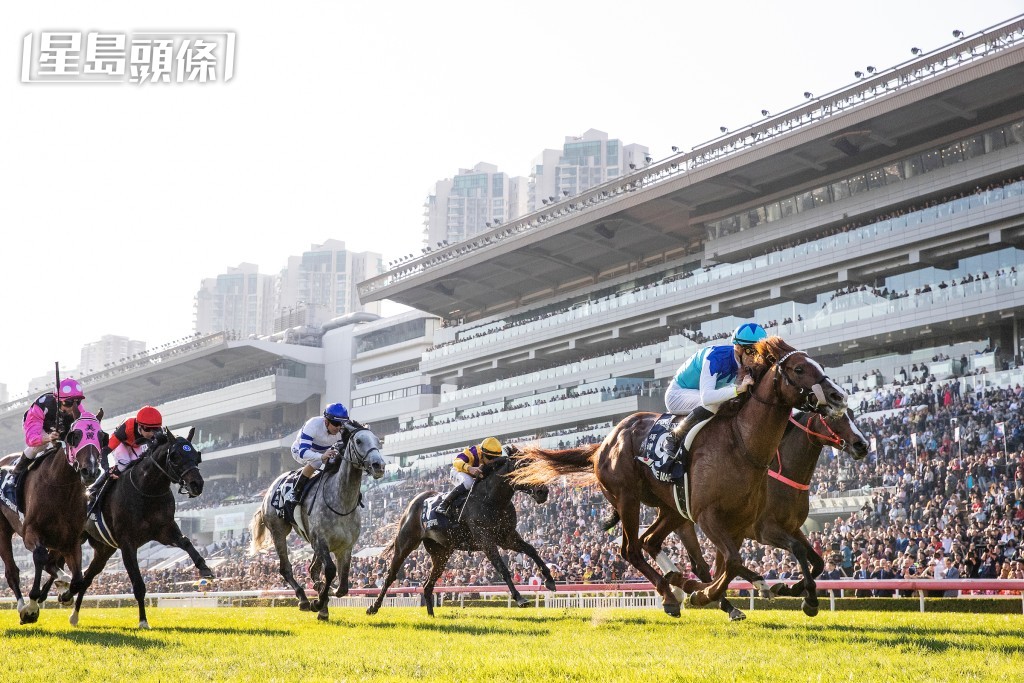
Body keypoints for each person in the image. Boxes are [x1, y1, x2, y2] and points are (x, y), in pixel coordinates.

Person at [663, 322, 767, 462]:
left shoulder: (747, 364)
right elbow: (707, 398)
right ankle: (675, 436)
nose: (755, 357)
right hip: (678, 395)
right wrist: (738, 389)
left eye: (758, 352)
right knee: (716, 403)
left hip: (702, 396)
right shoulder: (715, 358)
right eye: (751, 351)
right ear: (738, 348)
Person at [1, 377, 86, 506]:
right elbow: (31, 439)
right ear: (58, 400)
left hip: (61, 429)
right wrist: (48, 438)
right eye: (68, 403)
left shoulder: (77, 408)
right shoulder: (41, 405)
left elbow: (84, 427)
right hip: (39, 428)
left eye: (77, 402)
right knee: (40, 447)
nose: (72, 407)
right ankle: (16, 474)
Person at [87, 405, 163, 516]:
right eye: (147, 429)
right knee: (124, 463)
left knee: (140, 466)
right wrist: (107, 469)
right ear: (140, 426)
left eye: (155, 429)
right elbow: (104, 451)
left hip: (136, 445)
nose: (151, 433)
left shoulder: (156, 433)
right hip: (121, 444)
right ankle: (94, 489)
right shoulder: (126, 429)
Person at [284, 403, 353, 516]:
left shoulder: (341, 429)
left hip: (324, 451)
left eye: (342, 424)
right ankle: (295, 492)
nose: (339, 427)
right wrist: (321, 457)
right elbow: (303, 452)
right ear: (326, 421)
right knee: (317, 461)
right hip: (301, 450)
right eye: (336, 424)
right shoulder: (313, 424)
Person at [436, 437, 503, 518]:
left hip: (473, 477)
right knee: (469, 482)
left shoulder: (491, 460)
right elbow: (456, 462)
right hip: (458, 471)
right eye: (489, 457)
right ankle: (444, 504)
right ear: (482, 453)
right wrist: (469, 468)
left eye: (495, 458)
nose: (492, 461)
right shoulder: (472, 452)